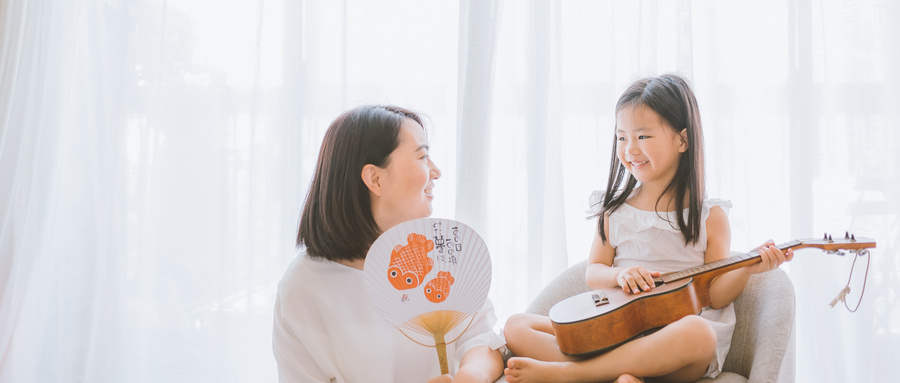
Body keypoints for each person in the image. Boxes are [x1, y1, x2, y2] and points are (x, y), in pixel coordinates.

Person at [501, 75, 794, 383]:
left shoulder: (709, 215)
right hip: (618, 331)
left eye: (643, 137)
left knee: (699, 333)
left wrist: (747, 268)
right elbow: (594, 271)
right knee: (516, 325)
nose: (630, 149)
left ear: (682, 140)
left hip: (674, 346)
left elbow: (716, 295)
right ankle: (619, 375)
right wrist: (618, 275)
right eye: (622, 137)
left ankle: (572, 374)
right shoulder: (614, 210)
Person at [272, 105, 505, 383]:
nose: (436, 171)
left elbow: (481, 337)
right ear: (375, 178)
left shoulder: (440, 253)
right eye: (423, 156)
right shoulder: (303, 288)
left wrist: (472, 375)